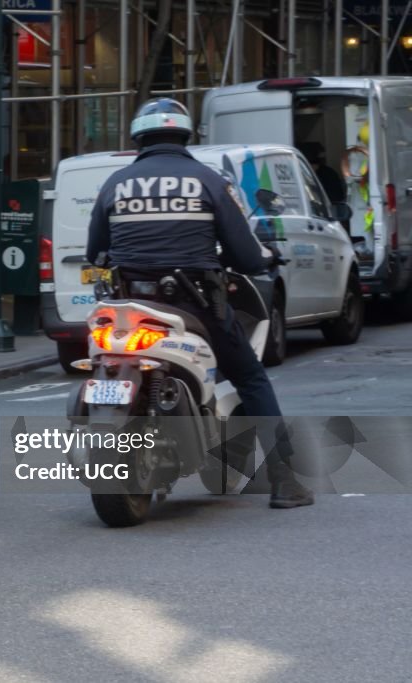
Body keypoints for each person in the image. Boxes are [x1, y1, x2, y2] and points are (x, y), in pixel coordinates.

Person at [86, 98, 314, 509]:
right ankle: (285, 481)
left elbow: (94, 250)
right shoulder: (207, 180)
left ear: (139, 136)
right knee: (251, 378)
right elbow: (245, 257)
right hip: (196, 307)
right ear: (185, 134)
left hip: (130, 308)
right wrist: (265, 257)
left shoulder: (115, 183)